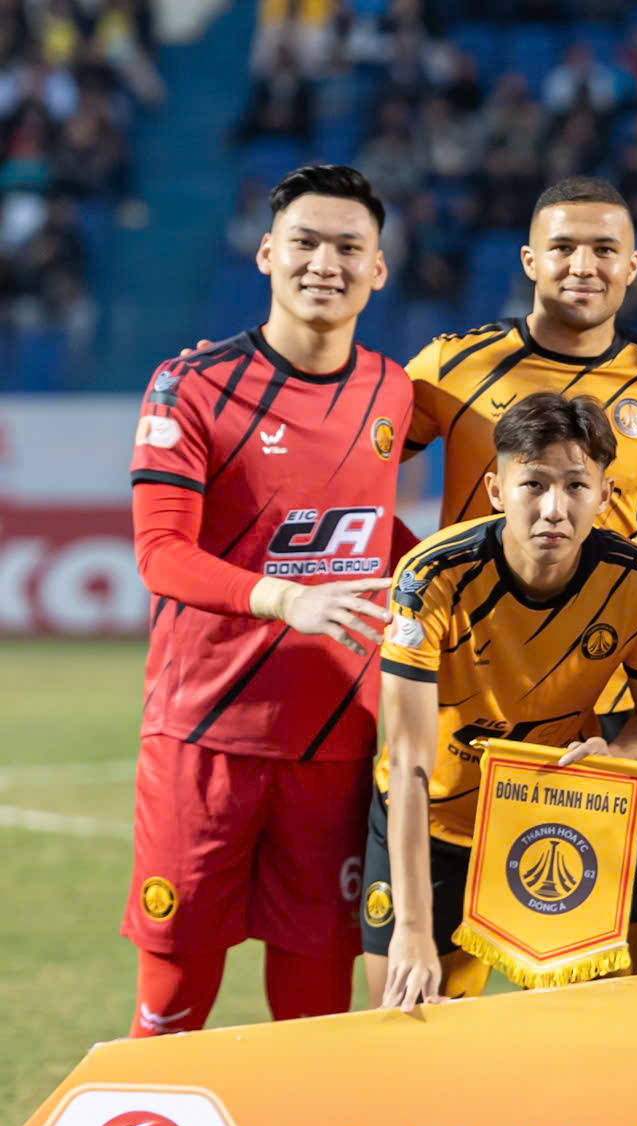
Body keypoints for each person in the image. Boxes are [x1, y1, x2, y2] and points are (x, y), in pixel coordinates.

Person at [124, 164, 415, 1035]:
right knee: (172, 1008)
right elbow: (160, 552)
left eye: (348, 247)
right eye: (305, 242)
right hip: (205, 741)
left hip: (337, 747)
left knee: (315, 1019)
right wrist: (285, 599)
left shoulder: (394, 391)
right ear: (264, 253)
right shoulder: (190, 385)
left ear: (378, 269)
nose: (325, 262)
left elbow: (373, 524)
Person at [400, 176, 637, 940]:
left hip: (607, 707)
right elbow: (355, 473)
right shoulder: (448, 368)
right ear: (529, 259)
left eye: (604, 248)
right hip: (470, 695)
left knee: (594, 968)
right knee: (435, 974)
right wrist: (402, 573)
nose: (583, 264)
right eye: (563, 246)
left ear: (632, 266)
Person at [372, 394, 637, 1010]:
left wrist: (619, 754)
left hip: (550, 818)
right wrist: (411, 927)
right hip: (431, 821)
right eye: (533, 484)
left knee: (577, 1032)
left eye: (576, 486)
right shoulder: (431, 578)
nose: (553, 509)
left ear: (605, 494)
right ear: (496, 490)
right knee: (405, 1021)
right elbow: (408, 763)